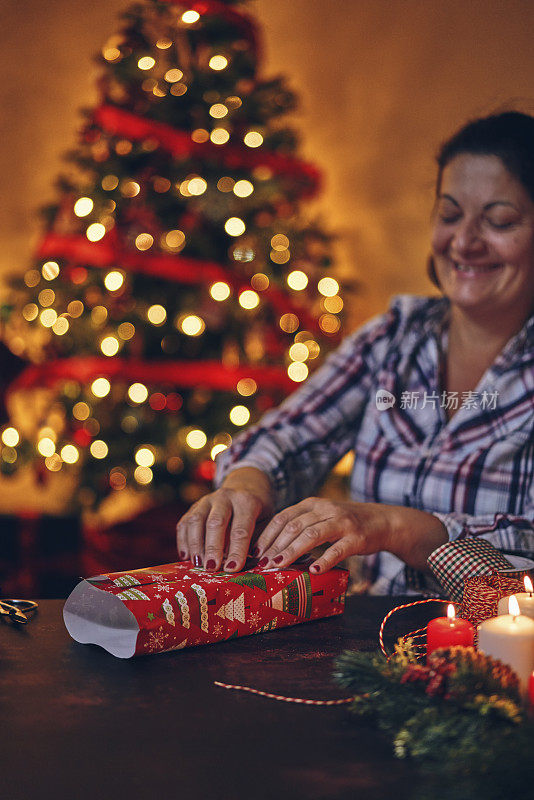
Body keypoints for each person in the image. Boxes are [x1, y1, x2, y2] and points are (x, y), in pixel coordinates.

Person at [175, 110, 534, 597]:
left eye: (499, 221)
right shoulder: (393, 338)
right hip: (367, 655)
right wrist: (245, 484)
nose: (465, 242)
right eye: (450, 215)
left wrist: (394, 526)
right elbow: (290, 434)